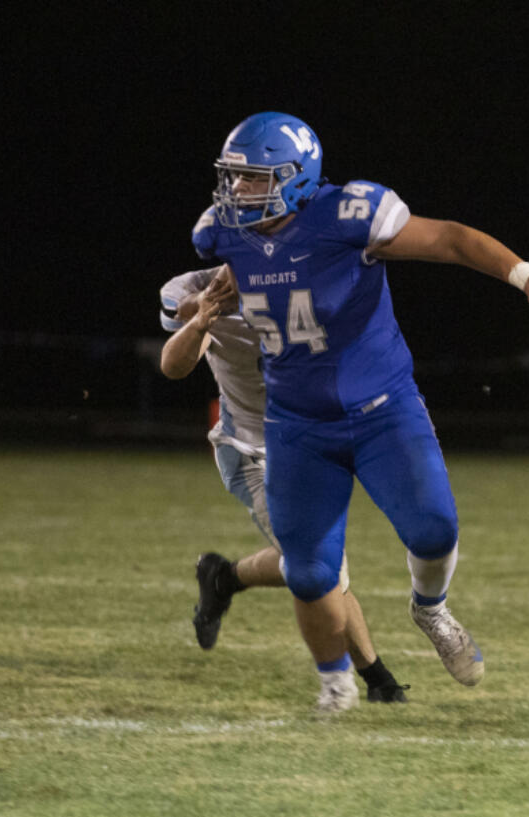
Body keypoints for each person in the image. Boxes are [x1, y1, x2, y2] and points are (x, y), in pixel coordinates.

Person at [190, 111, 529, 708]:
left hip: (383, 409)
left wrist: (524, 275)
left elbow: (451, 238)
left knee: (435, 531)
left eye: (254, 179)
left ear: (298, 178)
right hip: (298, 423)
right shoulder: (220, 232)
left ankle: (430, 609)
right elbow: (263, 261)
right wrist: (230, 278)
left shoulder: (349, 214)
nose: (238, 191)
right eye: (235, 178)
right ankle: (335, 685)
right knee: (308, 573)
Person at [159, 265, 408, 710]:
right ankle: (376, 679)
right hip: (251, 449)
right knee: (323, 565)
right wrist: (200, 319)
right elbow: (173, 366)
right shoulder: (192, 290)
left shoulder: (305, 278)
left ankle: (224, 577)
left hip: (310, 444)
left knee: (309, 561)